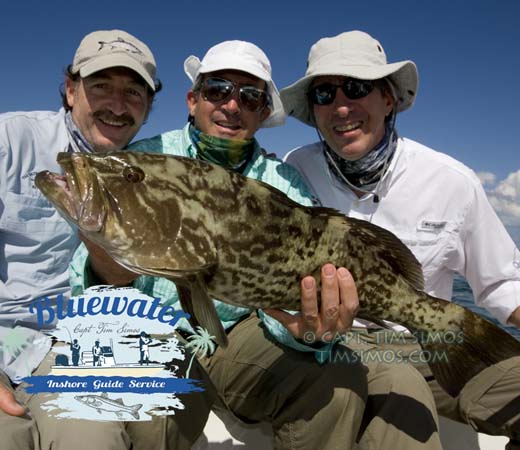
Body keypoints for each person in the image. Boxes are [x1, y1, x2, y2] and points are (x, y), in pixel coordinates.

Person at [70, 40, 382, 450]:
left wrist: (304, 328)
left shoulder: (283, 183)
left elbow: (290, 298)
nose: (232, 105)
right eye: (217, 90)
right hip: (148, 334)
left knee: (336, 382)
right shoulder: (141, 161)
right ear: (192, 99)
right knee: (149, 414)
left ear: (263, 112)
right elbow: (87, 284)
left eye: (250, 97)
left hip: (236, 338)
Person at [280, 30, 520, 448]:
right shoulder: (293, 171)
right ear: (314, 111)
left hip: (429, 345)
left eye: (356, 88)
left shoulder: (452, 181)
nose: (340, 106)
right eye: (323, 94)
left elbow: (500, 282)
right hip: (335, 345)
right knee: (401, 402)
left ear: (388, 98)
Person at [0, 29, 169, 450]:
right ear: (71, 91)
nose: (117, 105)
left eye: (133, 92)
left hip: (76, 351)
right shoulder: (10, 140)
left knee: (94, 436)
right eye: (100, 87)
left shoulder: (147, 174)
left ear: (148, 108)